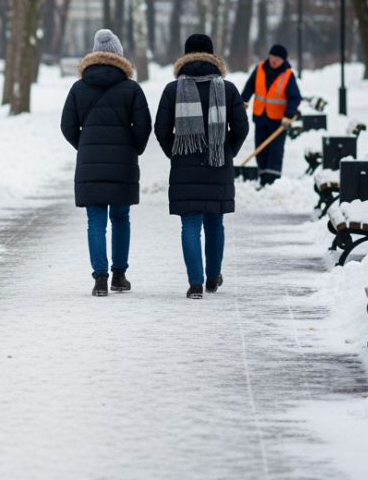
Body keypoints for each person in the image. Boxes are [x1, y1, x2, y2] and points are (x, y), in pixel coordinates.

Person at [154, 34, 250, 299]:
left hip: (185, 164)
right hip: (218, 164)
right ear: (212, 55)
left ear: (185, 56)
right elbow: (241, 127)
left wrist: (177, 151)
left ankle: (195, 284)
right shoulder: (227, 88)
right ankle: (212, 278)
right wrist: (225, 150)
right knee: (214, 223)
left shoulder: (172, 90)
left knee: (190, 226)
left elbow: (161, 129)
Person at [61, 29, 152, 297]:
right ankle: (119, 276)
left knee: (95, 222)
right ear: (119, 55)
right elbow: (143, 126)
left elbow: (67, 126)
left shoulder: (78, 88)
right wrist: (132, 149)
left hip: (90, 164)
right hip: (123, 163)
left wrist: (86, 146)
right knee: (121, 218)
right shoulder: (132, 89)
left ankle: (100, 279)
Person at [240, 44, 302, 187]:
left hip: (279, 121)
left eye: (278, 59)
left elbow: (295, 97)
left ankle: (273, 182)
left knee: (275, 151)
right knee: (260, 149)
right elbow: (249, 87)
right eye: (273, 57)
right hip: (261, 117)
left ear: (283, 61)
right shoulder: (260, 69)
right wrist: (242, 101)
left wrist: (288, 115)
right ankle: (263, 178)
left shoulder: (288, 75)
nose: (274, 61)